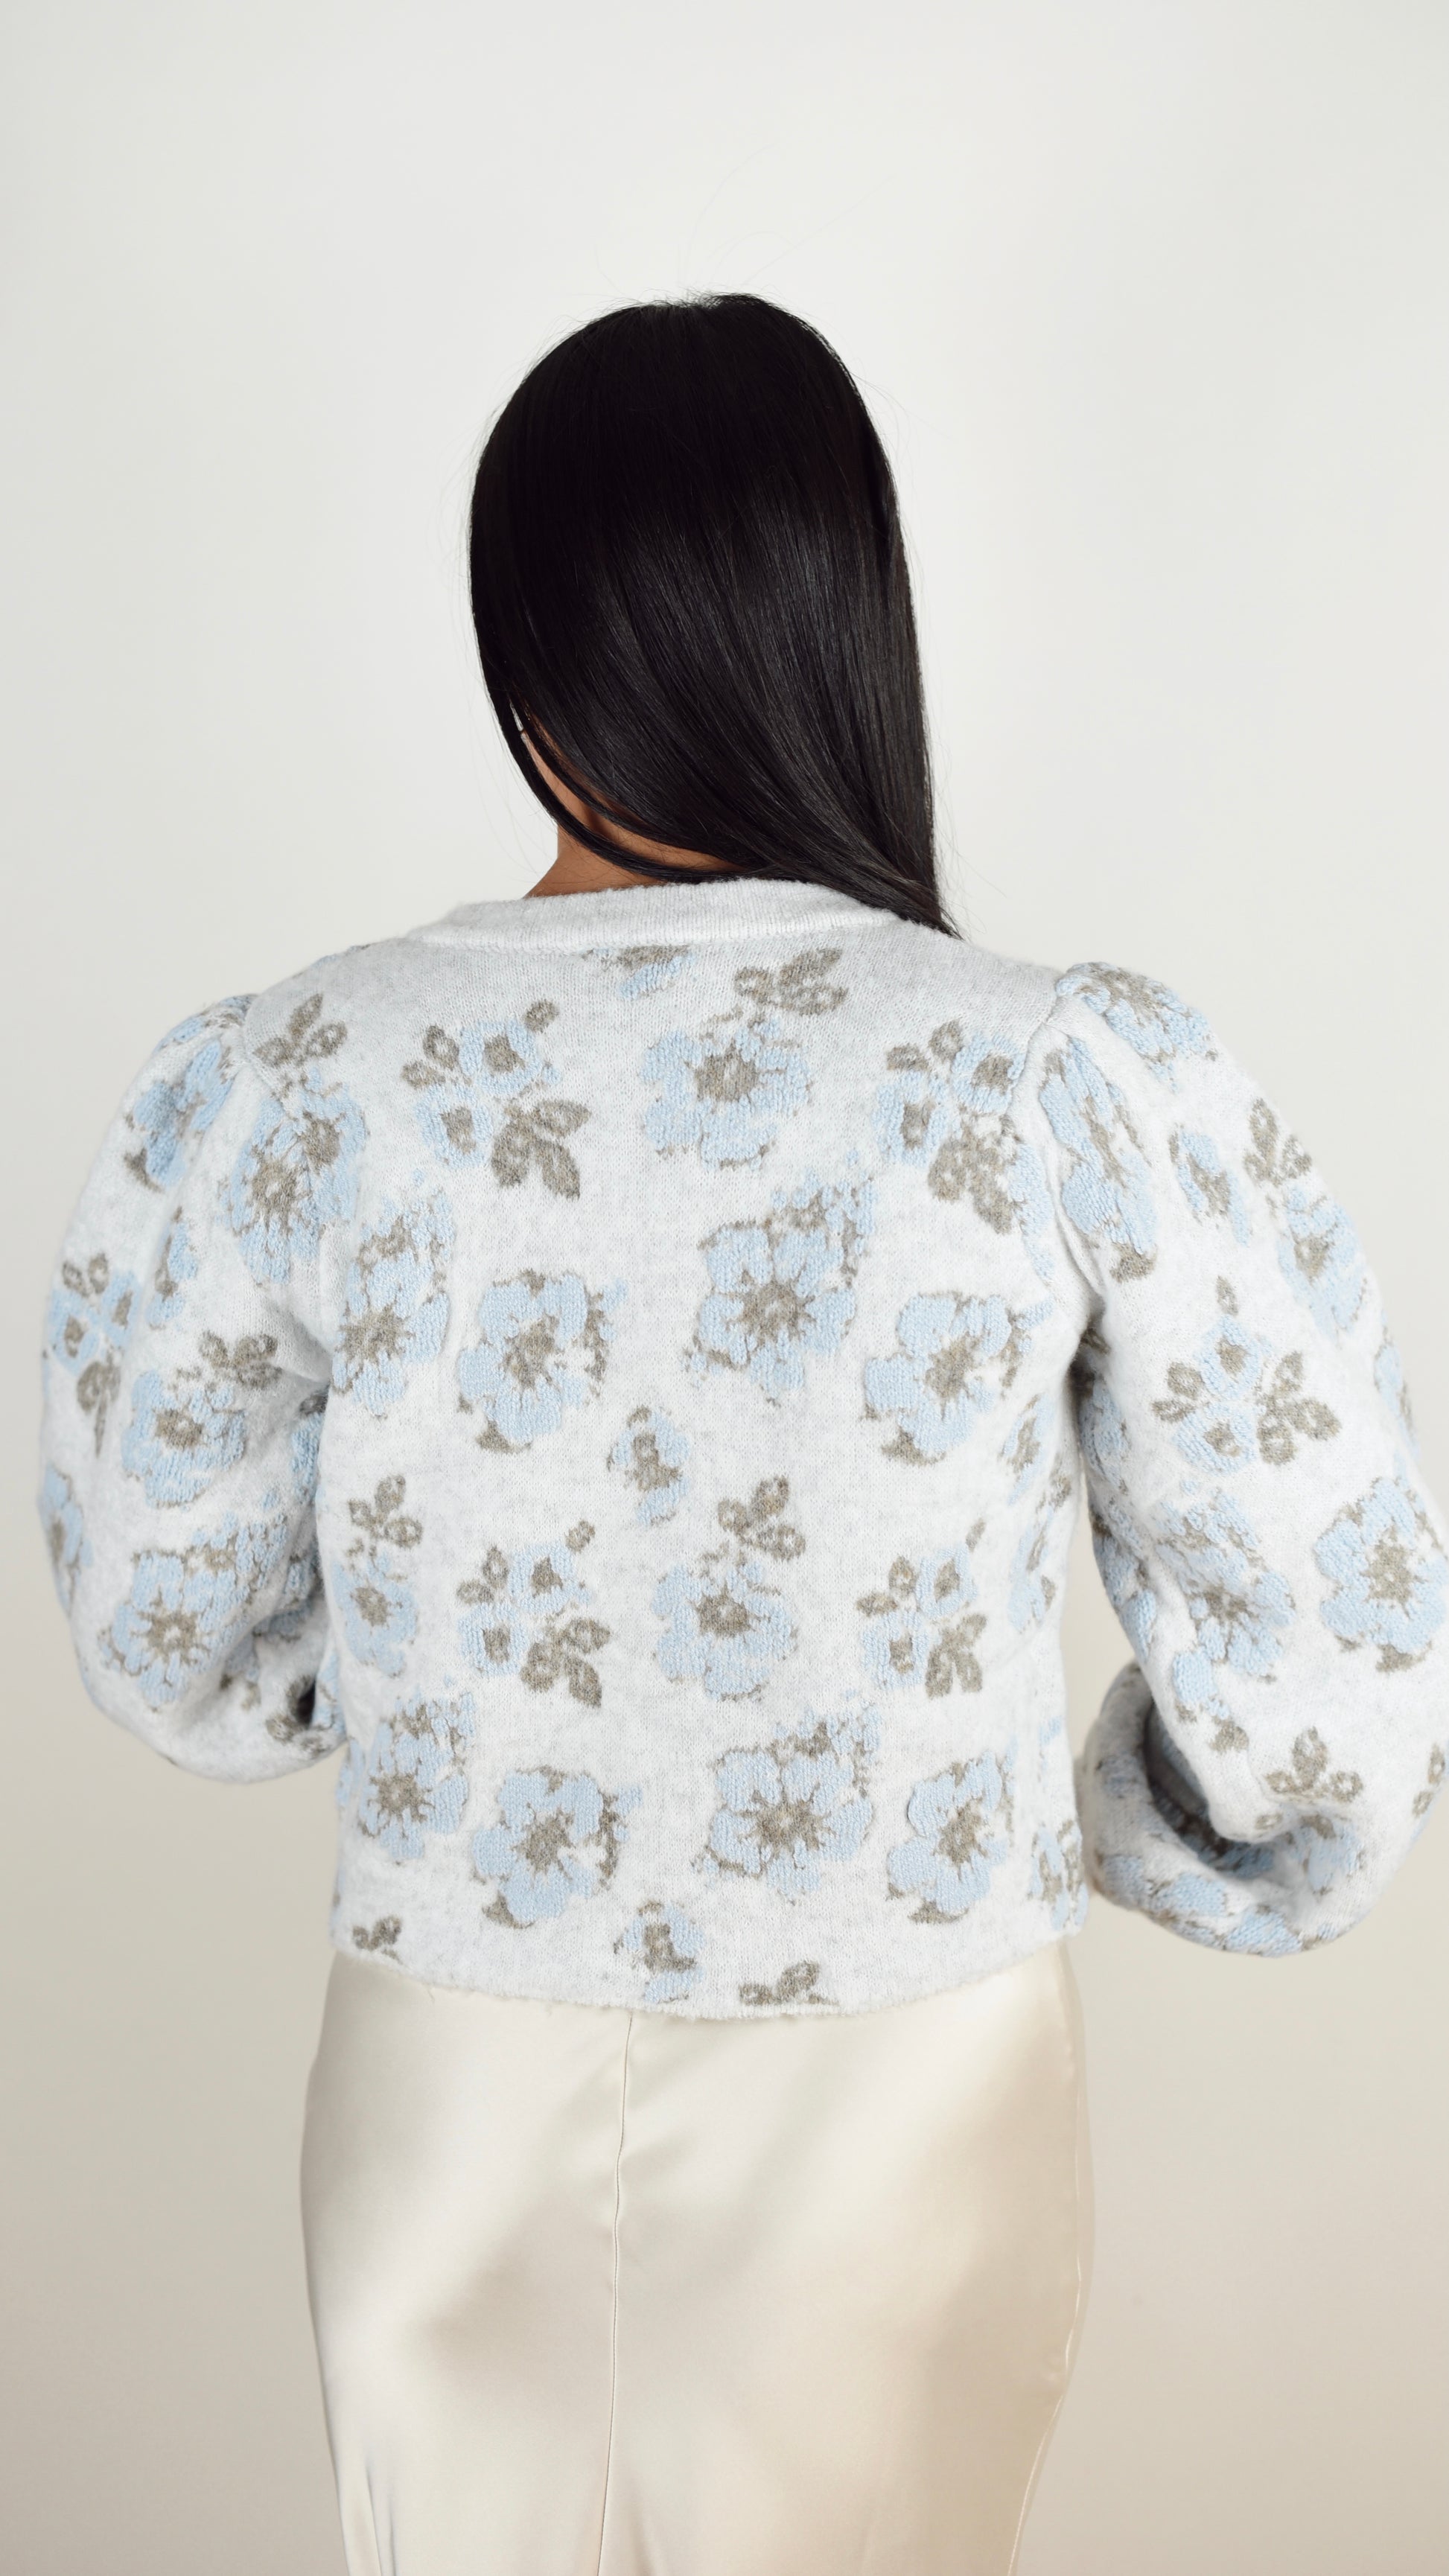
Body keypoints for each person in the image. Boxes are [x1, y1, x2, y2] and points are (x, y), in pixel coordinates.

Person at [38, 294, 1446, 2576]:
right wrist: (1131, 1819)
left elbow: (165, 1620)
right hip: (909, 2075)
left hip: (451, 2048)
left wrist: (411, 1705)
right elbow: (1331, 1647)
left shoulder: (298, 1075)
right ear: (837, 621)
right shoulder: (1057, 1073)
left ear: (521, 636)